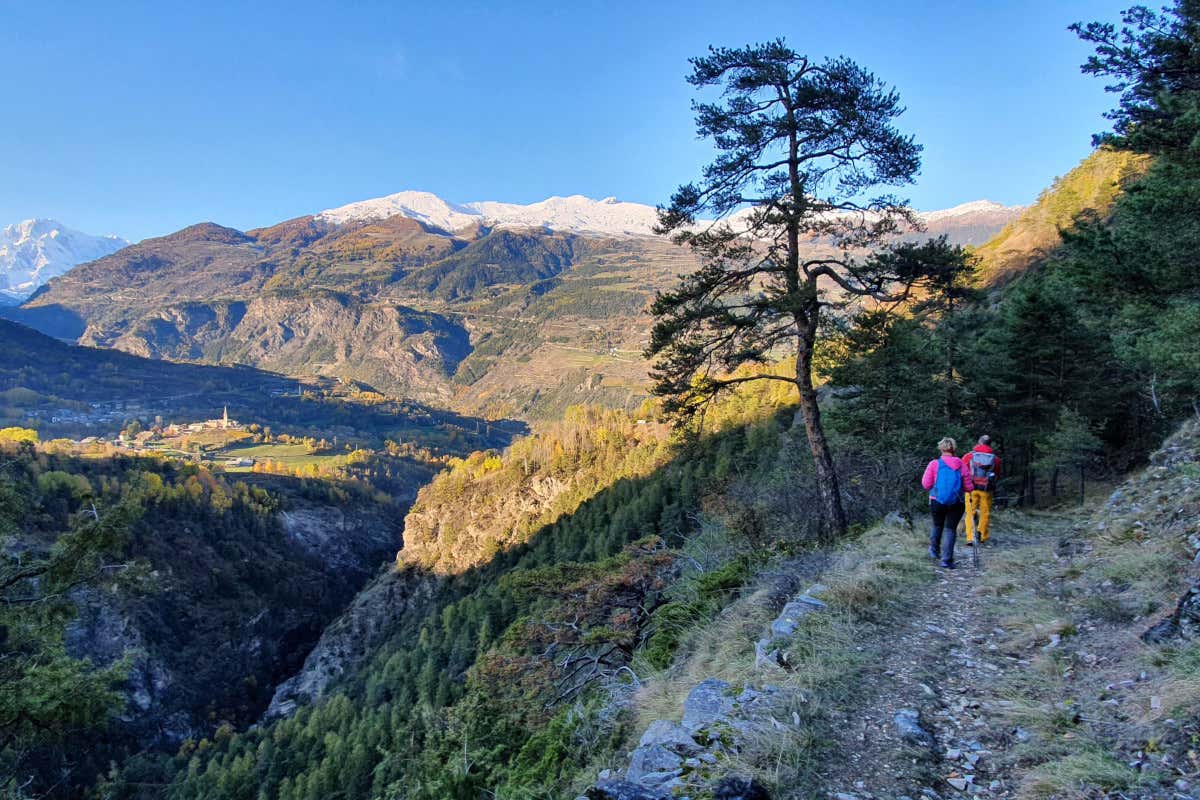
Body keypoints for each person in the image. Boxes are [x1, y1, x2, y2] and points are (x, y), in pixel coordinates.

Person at [921, 437, 974, 569]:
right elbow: (969, 487)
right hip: (956, 502)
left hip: (937, 500)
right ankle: (946, 560)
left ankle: (934, 552)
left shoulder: (934, 464)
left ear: (940, 448)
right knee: (950, 529)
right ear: (954, 448)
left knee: (937, 525)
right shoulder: (961, 464)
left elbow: (926, 484)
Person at [962, 435, 1000, 545]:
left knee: (970, 512)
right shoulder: (995, 459)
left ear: (979, 442)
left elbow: (963, 471)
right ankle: (983, 536)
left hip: (971, 489)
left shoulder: (969, 456)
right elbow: (997, 474)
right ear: (990, 444)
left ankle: (970, 537)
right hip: (986, 489)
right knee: (985, 512)